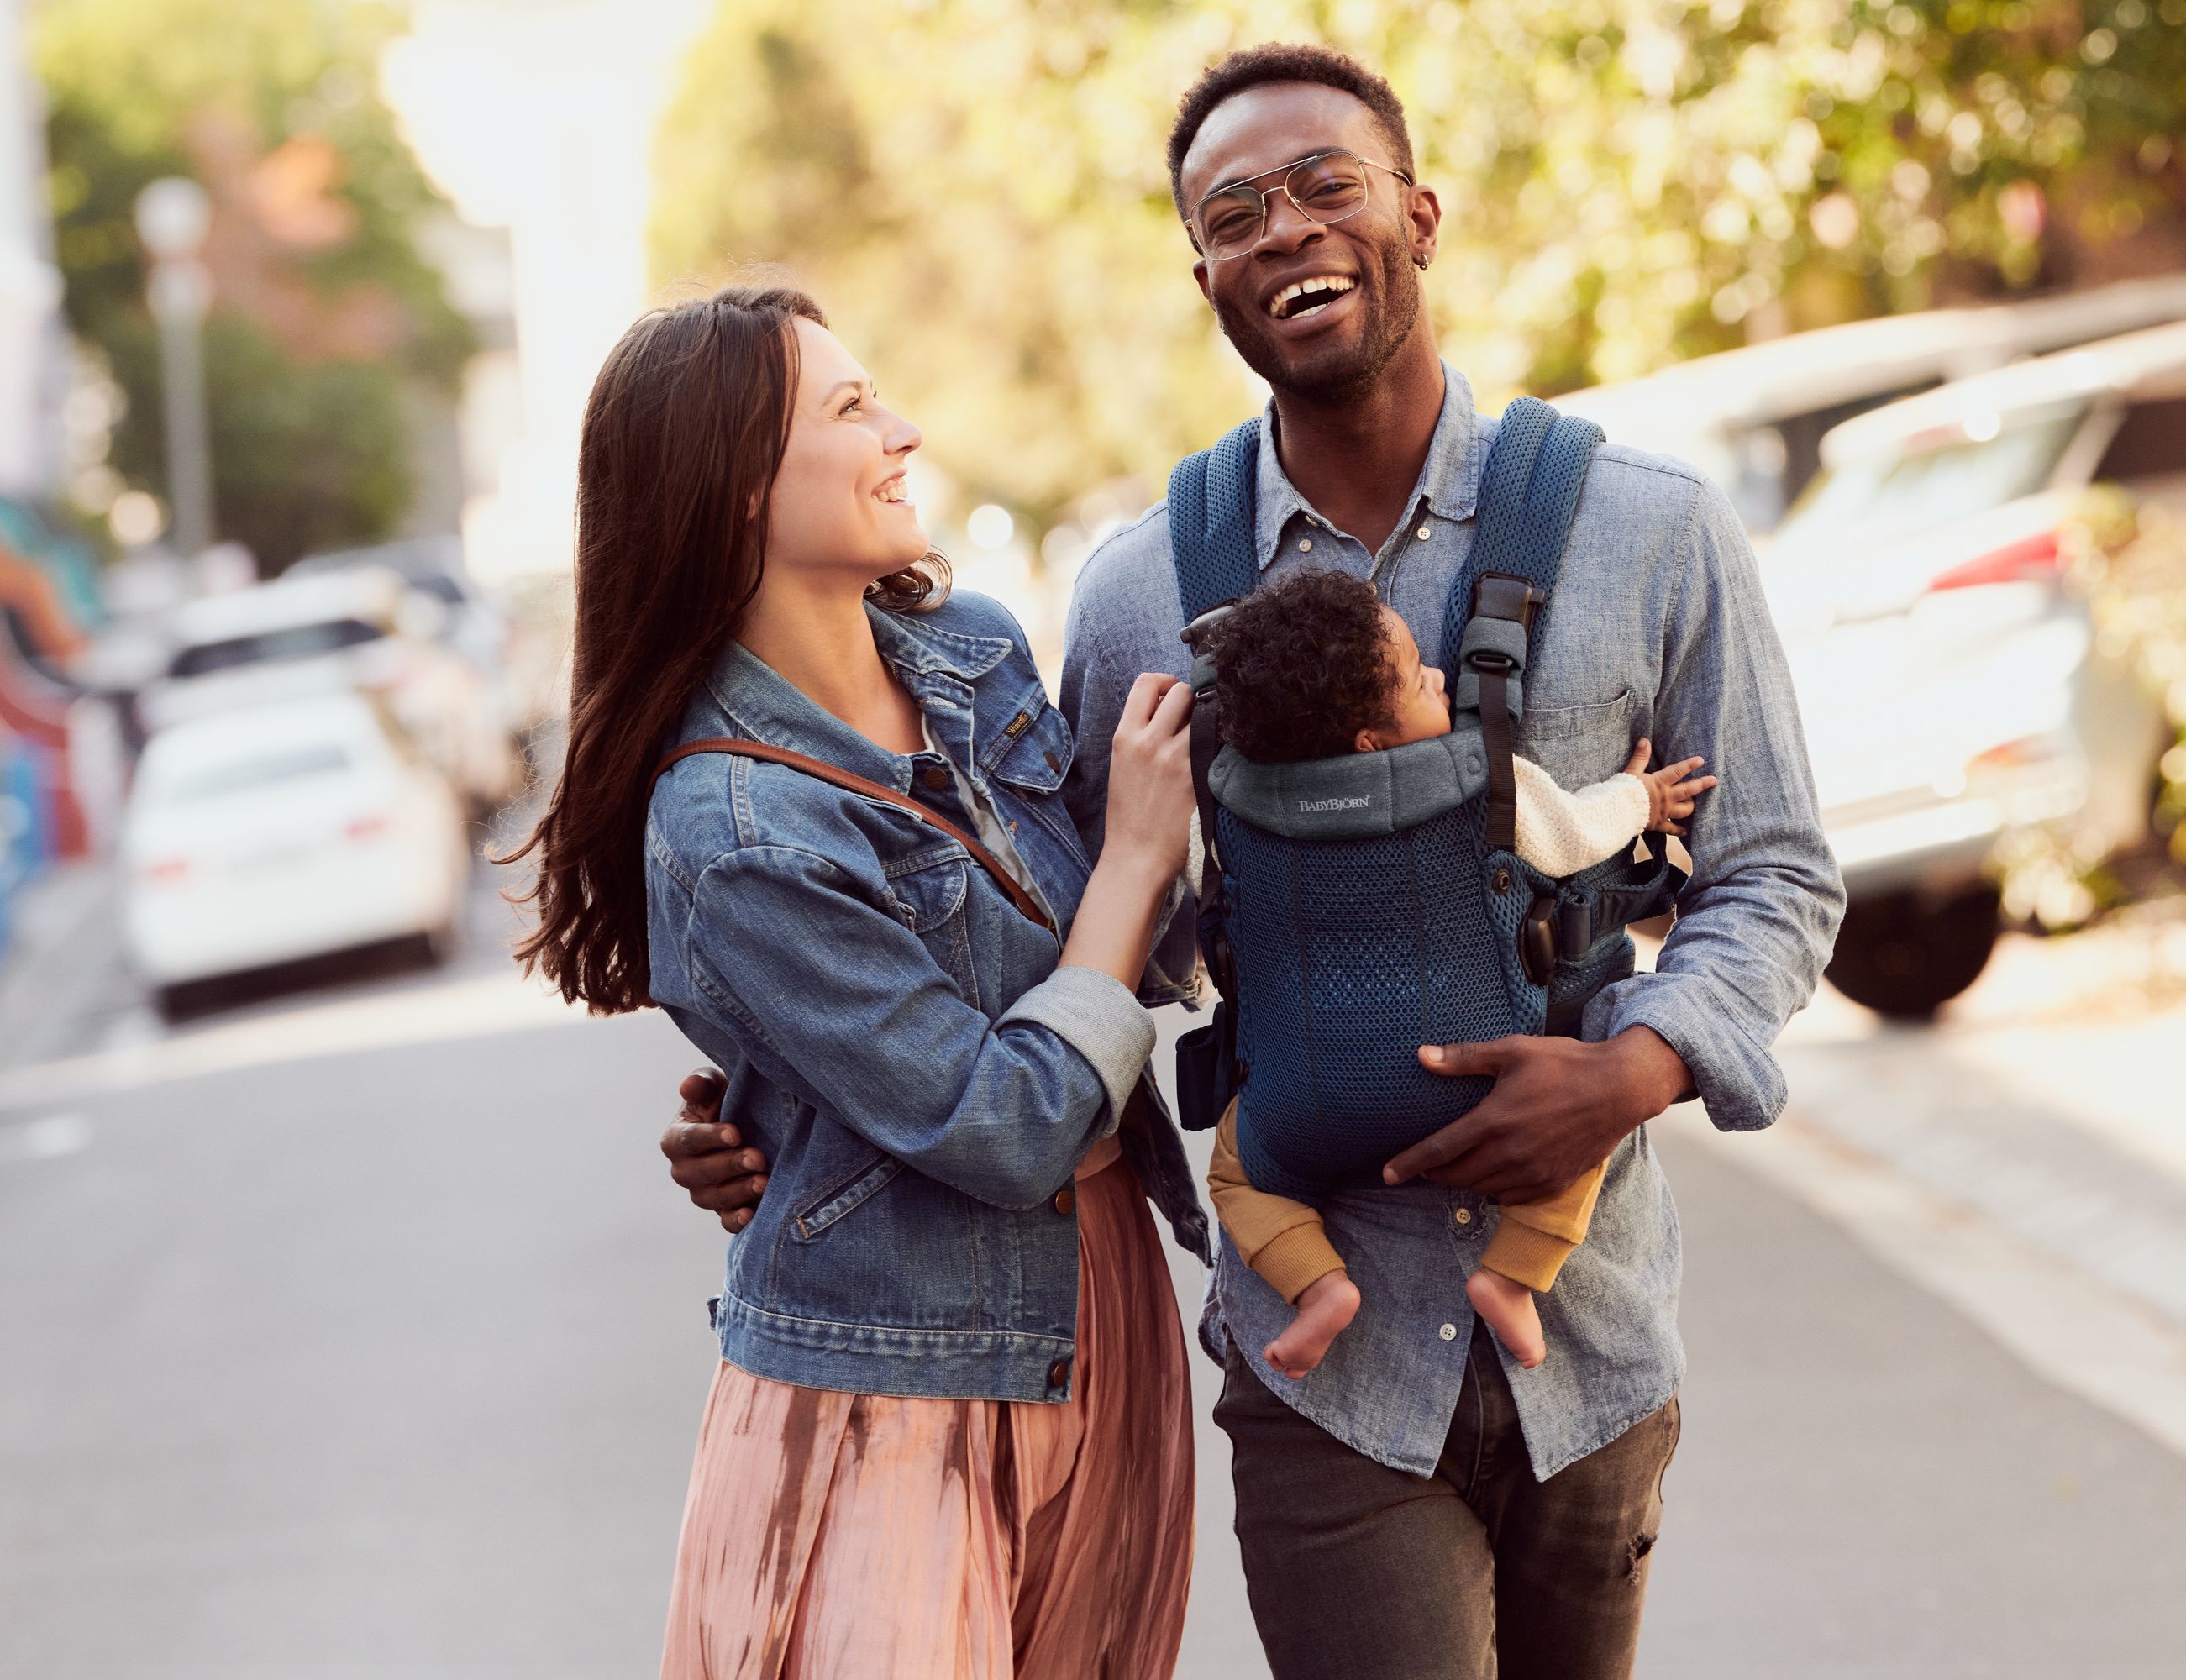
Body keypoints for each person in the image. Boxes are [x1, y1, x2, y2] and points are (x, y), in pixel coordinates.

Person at [669, 42, 1844, 1680]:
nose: (1285, 229)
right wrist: (775, 1099)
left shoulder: (1645, 528)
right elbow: (1076, 938)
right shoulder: (1140, 591)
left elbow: (1776, 871)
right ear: (1204, 275)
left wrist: (1632, 1071)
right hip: (1318, 1368)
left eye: (1324, 187)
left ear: (1417, 215)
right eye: (1236, 213)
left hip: (1594, 1330)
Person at [512, 284, 1210, 1679]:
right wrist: (1134, 859)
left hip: (1103, 1309)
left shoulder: (975, 653)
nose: (901, 432)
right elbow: (1007, 1124)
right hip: (896, 1379)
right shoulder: (730, 835)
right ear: (732, 491)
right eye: (849, 410)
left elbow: (1110, 957)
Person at [1190, 564, 1715, 1379]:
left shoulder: (1237, 803)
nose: (1438, 671)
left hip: (1306, 1112)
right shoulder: (1482, 779)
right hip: (1492, 1092)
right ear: (1370, 740)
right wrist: (1640, 798)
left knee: (1236, 1172)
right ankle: (1509, 1277)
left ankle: (1322, 1288)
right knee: (1587, 1123)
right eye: (1413, 675)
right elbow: (1578, 835)